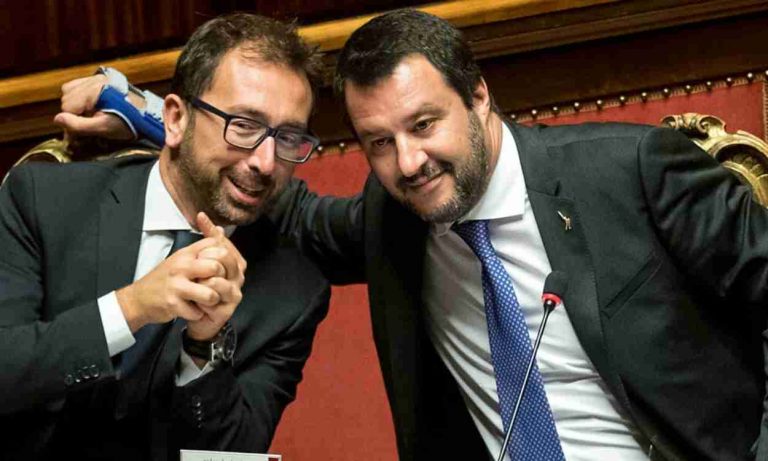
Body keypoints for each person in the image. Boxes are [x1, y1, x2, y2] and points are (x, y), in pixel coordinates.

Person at [54, 9, 768, 461]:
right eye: (378, 141)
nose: (408, 162)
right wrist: (142, 110)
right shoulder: (395, 214)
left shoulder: (632, 171)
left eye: (424, 124)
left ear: (479, 97)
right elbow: (278, 195)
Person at [0, 13, 330, 460]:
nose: (266, 162)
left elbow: (233, 454)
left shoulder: (294, 293)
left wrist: (204, 347)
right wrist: (131, 308)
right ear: (175, 119)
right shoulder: (44, 201)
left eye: (288, 137)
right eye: (243, 126)